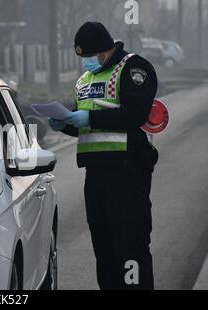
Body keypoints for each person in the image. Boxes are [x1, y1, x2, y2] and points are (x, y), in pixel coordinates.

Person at [49, 22, 158, 290]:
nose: (85, 62)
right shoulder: (84, 81)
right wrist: (65, 123)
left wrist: (90, 117)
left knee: (130, 247)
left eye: (88, 56)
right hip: (95, 176)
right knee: (105, 248)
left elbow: (135, 114)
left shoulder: (133, 68)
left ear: (105, 50)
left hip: (127, 173)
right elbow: (85, 126)